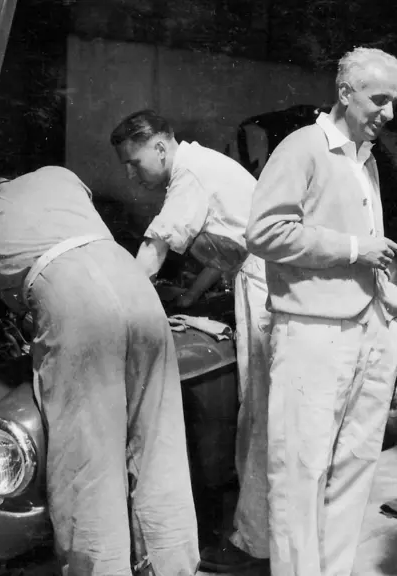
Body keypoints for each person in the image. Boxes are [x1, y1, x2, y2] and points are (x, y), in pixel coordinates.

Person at [0, 166, 199, 576]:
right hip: (136, 286)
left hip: (77, 306)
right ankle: (173, 566)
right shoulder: (58, 176)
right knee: (159, 443)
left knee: (89, 462)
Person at [246, 47, 397, 576]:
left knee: (356, 465)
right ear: (344, 93)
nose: (388, 112)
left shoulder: (365, 158)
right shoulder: (303, 148)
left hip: (367, 329)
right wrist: (355, 249)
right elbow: (265, 232)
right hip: (313, 333)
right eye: (378, 99)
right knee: (300, 474)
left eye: (393, 101)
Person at [110, 110, 271, 572]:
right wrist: (191, 297)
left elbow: (154, 250)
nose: (130, 173)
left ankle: (251, 546)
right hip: (256, 276)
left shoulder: (188, 175)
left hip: (263, 286)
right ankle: (258, 533)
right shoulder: (205, 166)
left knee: (258, 415)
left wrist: (112, 307)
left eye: (134, 162)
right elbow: (227, 246)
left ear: (161, 148)